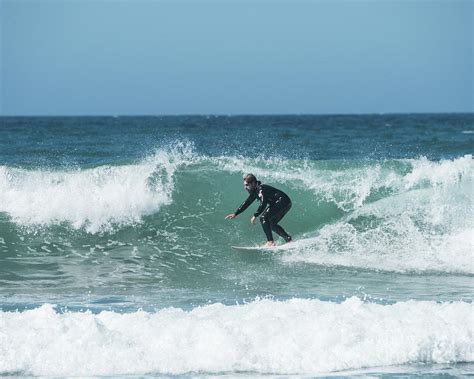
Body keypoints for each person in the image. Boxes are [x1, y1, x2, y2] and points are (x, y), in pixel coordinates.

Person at [225, 173, 292, 247]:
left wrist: (255, 215)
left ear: (253, 183)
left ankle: (270, 242)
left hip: (282, 201)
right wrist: (235, 213)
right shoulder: (255, 191)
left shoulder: (261, 189)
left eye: (247, 185)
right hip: (286, 202)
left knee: (263, 218)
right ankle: (288, 239)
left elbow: (263, 203)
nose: (245, 187)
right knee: (271, 223)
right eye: (244, 185)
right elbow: (247, 202)